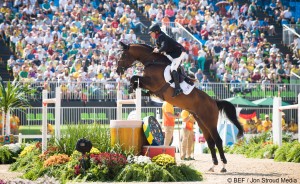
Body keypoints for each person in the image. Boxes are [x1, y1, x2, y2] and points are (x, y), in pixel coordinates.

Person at [148, 23, 187, 97]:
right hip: (172, 54)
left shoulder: (162, 36)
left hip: (179, 52)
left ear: (156, 32)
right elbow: (159, 48)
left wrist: (158, 50)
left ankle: (178, 88)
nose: (150, 35)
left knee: (173, 69)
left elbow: (164, 47)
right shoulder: (158, 38)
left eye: (151, 33)